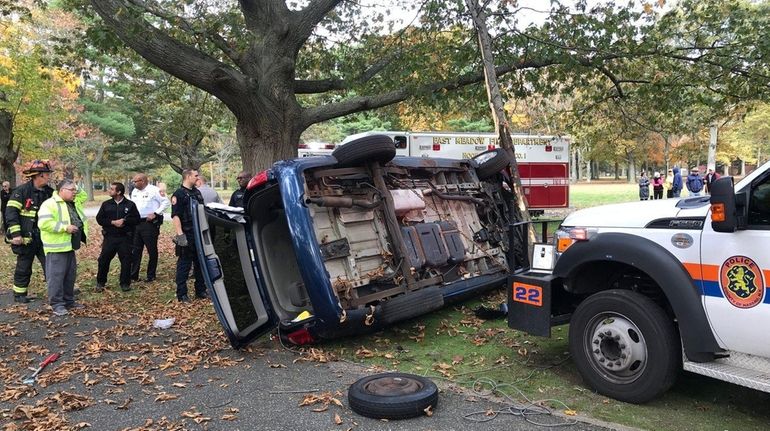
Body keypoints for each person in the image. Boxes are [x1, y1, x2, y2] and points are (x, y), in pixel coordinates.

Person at [5, 160, 54, 303]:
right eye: (46, 174)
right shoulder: (21, 192)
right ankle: (20, 294)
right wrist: (16, 234)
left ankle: (56, 292)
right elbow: (11, 213)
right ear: (39, 175)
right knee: (24, 266)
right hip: (26, 238)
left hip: (44, 237)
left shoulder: (50, 193)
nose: (48, 177)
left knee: (50, 265)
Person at [37, 179, 87, 316]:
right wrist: (65, 228)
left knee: (70, 276)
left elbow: (83, 198)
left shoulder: (70, 203)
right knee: (56, 278)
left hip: (69, 246)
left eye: (75, 190)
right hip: (56, 248)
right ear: (62, 191)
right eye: (72, 190)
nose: (74, 193)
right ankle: (57, 304)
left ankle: (69, 301)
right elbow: (44, 223)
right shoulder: (49, 204)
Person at [95, 182, 141, 292]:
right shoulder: (106, 204)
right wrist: (112, 222)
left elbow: (136, 219)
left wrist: (124, 221)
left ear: (119, 192)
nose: (109, 191)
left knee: (126, 261)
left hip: (124, 238)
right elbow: (99, 219)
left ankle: (125, 283)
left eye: (112, 189)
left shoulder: (130, 205)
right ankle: (100, 282)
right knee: (103, 260)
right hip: (110, 237)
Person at [171, 169, 206, 302]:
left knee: (200, 262)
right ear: (188, 176)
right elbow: (175, 216)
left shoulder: (196, 192)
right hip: (187, 233)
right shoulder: (179, 194)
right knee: (184, 264)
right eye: (196, 176)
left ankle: (200, 290)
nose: (198, 177)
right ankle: (182, 294)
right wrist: (180, 235)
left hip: (198, 232)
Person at [130, 173, 169, 283]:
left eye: (135, 181)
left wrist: (156, 213)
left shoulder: (154, 190)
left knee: (151, 250)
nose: (133, 183)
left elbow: (166, 202)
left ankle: (151, 275)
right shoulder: (134, 192)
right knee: (136, 250)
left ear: (142, 181)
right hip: (137, 223)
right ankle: (134, 275)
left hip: (149, 224)